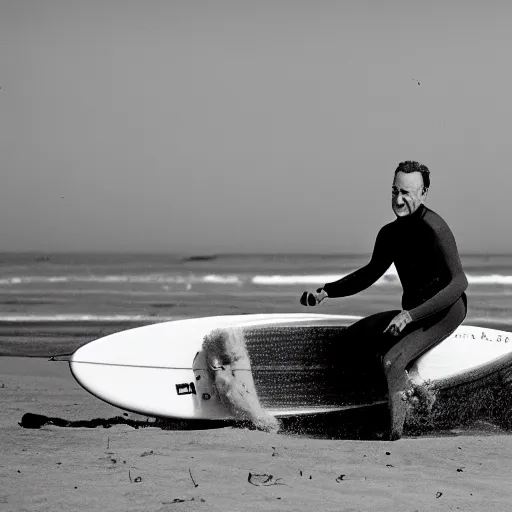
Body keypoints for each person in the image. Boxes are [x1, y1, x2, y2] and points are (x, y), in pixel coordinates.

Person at [300, 160, 468, 440]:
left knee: (391, 361)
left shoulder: (435, 229)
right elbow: (370, 273)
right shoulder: (390, 234)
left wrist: (410, 316)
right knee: (351, 340)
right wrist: (327, 291)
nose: (399, 199)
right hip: (412, 311)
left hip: (445, 310)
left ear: (424, 193)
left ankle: (394, 432)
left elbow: (459, 282)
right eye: (394, 191)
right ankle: (375, 402)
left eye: (407, 193)